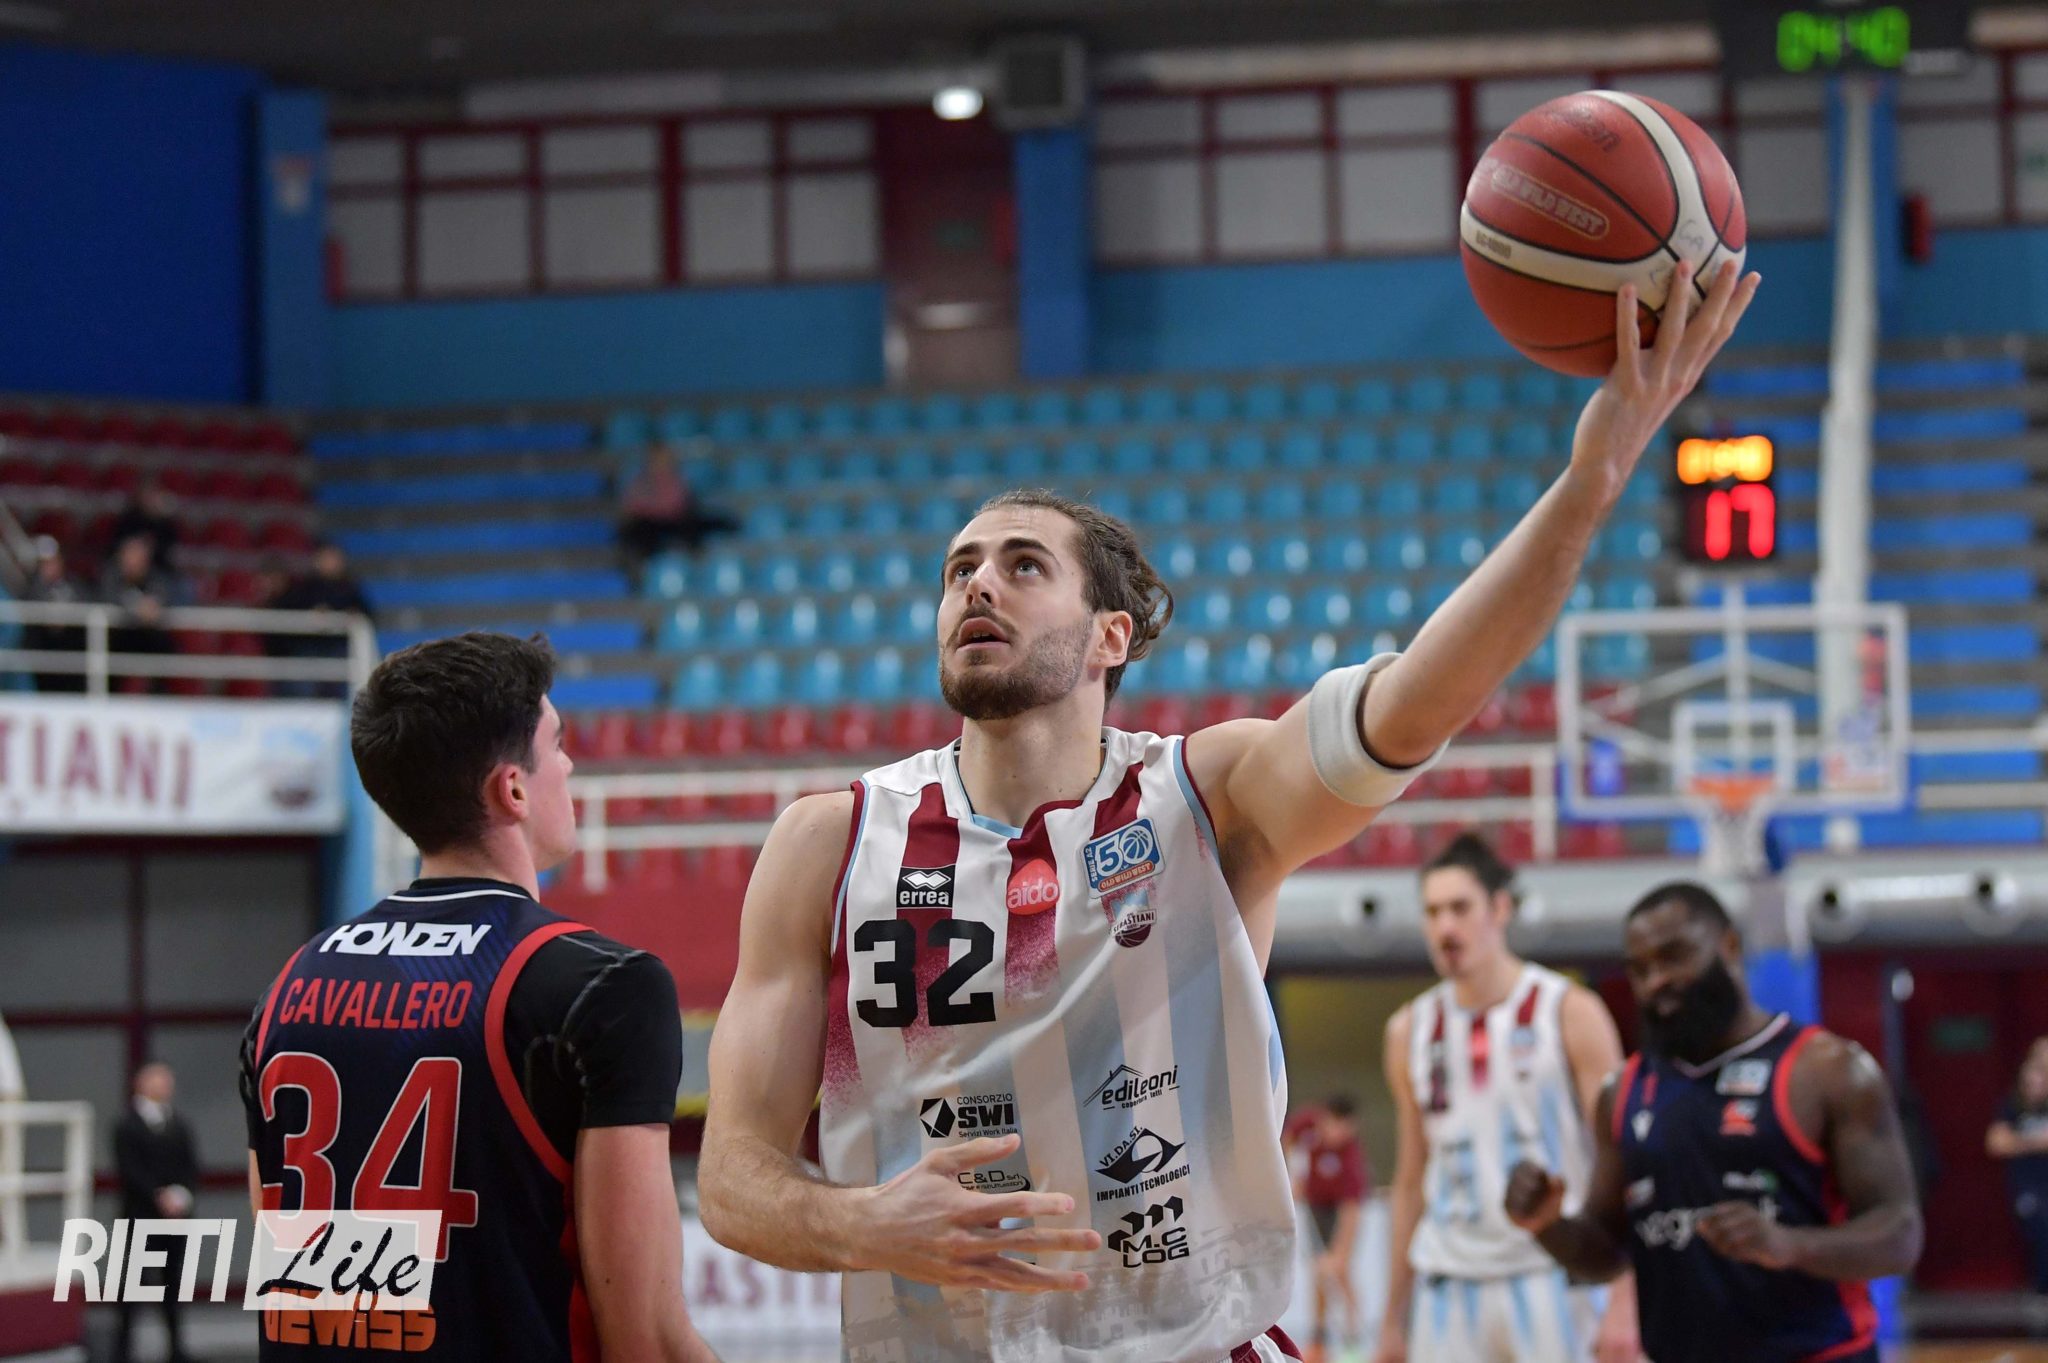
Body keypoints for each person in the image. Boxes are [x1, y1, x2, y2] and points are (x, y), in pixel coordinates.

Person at [697, 261, 1761, 1363]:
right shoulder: (828, 844)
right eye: (959, 567)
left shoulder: (1203, 798)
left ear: (1109, 635)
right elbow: (732, 1178)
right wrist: (862, 1222)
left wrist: (1589, 482)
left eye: (1023, 565)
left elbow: (1415, 701)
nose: (978, 583)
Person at [238, 632, 718, 1362]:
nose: (570, 765)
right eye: (558, 744)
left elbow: (298, 1285)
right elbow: (643, 1337)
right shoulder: (605, 985)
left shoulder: (288, 988)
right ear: (512, 788)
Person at [1505, 882, 1923, 1363]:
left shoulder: (1826, 1070)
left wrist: (1788, 1245)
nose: (1656, 981)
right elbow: (1606, 1254)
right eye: (1640, 970)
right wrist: (1547, 1225)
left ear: (1729, 946)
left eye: (1673, 957)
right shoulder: (1623, 1092)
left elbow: (1899, 1235)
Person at [1374, 832, 1638, 1363]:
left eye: (1459, 908)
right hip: (1449, 1283)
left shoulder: (1570, 1010)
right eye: (1432, 912)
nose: (1445, 928)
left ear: (1499, 908)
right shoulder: (1408, 1030)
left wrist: (1623, 1300)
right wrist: (1391, 1316)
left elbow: (1622, 1159)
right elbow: (1410, 1179)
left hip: (1553, 1275)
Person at [114, 1062, 201, 1363]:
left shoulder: (179, 1124)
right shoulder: (126, 1126)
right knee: (132, 1285)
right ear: (141, 1083)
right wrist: (157, 1196)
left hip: (174, 1220)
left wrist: (181, 1196)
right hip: (140, 1217)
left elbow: (190, 1166)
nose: (165, 1086)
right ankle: (122, 1350)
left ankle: (176, 1349)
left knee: (172, 1284)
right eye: (158, 1080)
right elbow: (129, 1170)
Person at [1290, 1096, 1369, 1363]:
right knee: (1318, 1275)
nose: (1340, 1135)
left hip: (1341, 1212)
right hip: (1315, 1208)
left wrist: (1339, 1253)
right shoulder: (1308, 1123)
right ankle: (1318, 1341)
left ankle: (1353, 1340)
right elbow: (1286, 1138)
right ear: (1325, 1119)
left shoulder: (1351, 1156)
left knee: (1340, 1272)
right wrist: (1292, 1176)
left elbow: (1351, 1212)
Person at [268, 541, 374, 697]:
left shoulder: (349, 588)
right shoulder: (305, 587)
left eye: (333, 558)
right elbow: (290, 611)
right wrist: (310, 614)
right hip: (309, 646)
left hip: (337, 646)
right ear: (317, 560)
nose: (330, 563)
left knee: (347, 667)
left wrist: (350, 614)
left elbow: (366, 613)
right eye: (326, 558)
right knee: (302, 670)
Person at [1988, 1038, 2048, 1294]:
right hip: (2029, 1186)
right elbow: (1996, 1142)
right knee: (2040, 1230)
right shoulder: (2015, 1103)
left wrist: (2020, 1141)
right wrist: (2037, 1142)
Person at [617, 445, 739, 565]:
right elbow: (633, 508)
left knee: (700, 522)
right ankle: (648, 564)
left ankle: (695, 560)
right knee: (638, 531)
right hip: (650, 525)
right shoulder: (640, 482)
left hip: (675, 522)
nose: (662, 463)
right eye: (658, 459)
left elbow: (681, 504)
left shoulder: (677, 479)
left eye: (665, 459)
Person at [99, 532, 183, 693]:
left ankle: (160, 691)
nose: (133, 561)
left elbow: (163, 598)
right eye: (129, 555)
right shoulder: (111, 577)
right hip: (120, 641)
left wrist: (152, 607)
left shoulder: (156, 578)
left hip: (148, 641)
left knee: (164, 644)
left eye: (138, 556)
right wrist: (136, 608)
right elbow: (107, 597)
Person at [21, 536, 89, 692]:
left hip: (71, 656)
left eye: (52, 561)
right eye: (44, 563)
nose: (49, 567)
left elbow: (87, 603)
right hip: (42, 657)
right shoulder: (31, 589)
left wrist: (67, 615)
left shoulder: (74, 585)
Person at [109, 478, 181, 574]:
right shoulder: (128, 520)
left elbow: (170, 550)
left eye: (152, 495)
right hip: (125, 569)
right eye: (146, 494)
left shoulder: (164, 524)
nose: (149, 499)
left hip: (158, 569)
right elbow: (117, 545)